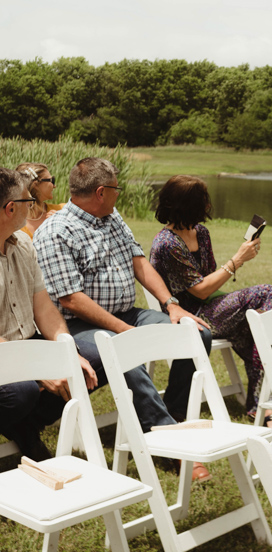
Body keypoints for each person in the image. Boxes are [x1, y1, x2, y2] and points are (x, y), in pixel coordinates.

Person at [33, 158, 213, 456]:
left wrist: (172, 305)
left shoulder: (112, 217)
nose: (120, 194)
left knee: (195, 333)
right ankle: (163, 439)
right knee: (123, 348)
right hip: (77, 326)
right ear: (101, 192)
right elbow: (71, 299)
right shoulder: (55, 231)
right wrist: (125, 331)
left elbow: (139, 262)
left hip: (127, 313)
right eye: (116, 189)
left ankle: (174, 415)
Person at [149, 176, 272, 429]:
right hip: (189, 316)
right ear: (187, 205)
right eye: (203, 201)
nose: (208, 206)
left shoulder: (200, 232)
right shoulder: (167, 243)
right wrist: (237, 260)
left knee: (260, 322)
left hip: (212, 306)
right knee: (267, 293)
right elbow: (200, 291)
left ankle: (264, 402)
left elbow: (211, 277)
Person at [0, 167, 98, 460]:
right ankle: (25, 431)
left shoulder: (24, 243)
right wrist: (37, 368)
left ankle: (24, 427)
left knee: (92, 362)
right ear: (10, 209)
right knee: (22, 391)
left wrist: (67, 351)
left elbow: (43, 307)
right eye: (29, 201)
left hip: (28, 342)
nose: (33, 206)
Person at [16, 162, 64, 239]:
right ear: (36, 185)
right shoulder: (12, 222)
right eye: (51, 180)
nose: (54, 186)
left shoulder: (62, 211)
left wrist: (63, 221)